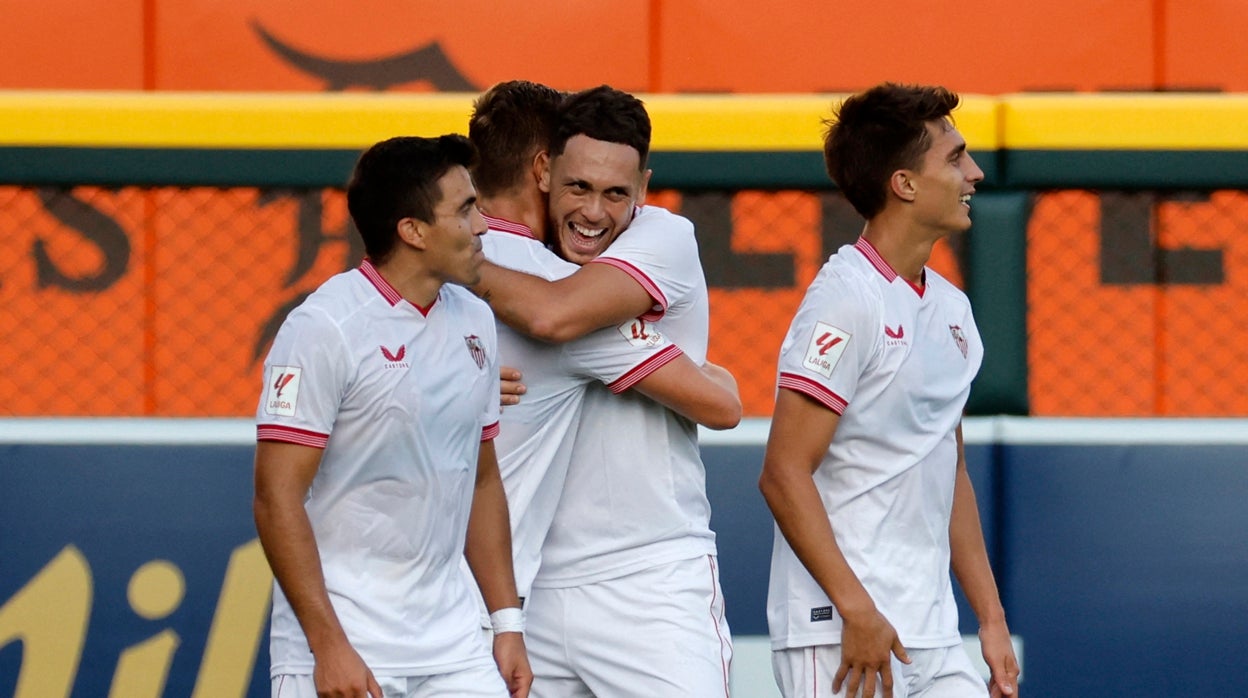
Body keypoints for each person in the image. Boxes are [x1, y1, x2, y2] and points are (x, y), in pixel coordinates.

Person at [757, 83, 1020, 698]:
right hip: (842, 636)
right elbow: (783, 472)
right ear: (904, 184)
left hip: (931, 632)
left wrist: (992, 619)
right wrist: (856, 611)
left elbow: (946, 464)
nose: (974, 173)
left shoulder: (952, 307)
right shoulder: (846, 299)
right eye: (954, 158)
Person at [471, 85, 735, 697]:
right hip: (526, 584)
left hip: (650, 578)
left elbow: (556, 316)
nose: (594, 211)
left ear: (642, 187)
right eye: (578, 188)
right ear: (545, 174)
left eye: (616, 192)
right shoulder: (524, 271)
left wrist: (449, 256)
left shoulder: (659, 237)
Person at [253, 134, 531, 698]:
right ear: (413, 231)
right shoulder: (322, 329)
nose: (483, 226)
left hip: (452, 644)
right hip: (346, 640)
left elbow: (480, 478)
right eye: (466, 210)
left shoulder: (475, 320)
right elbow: (275, 498)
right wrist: (328, 647)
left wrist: (506, 623)